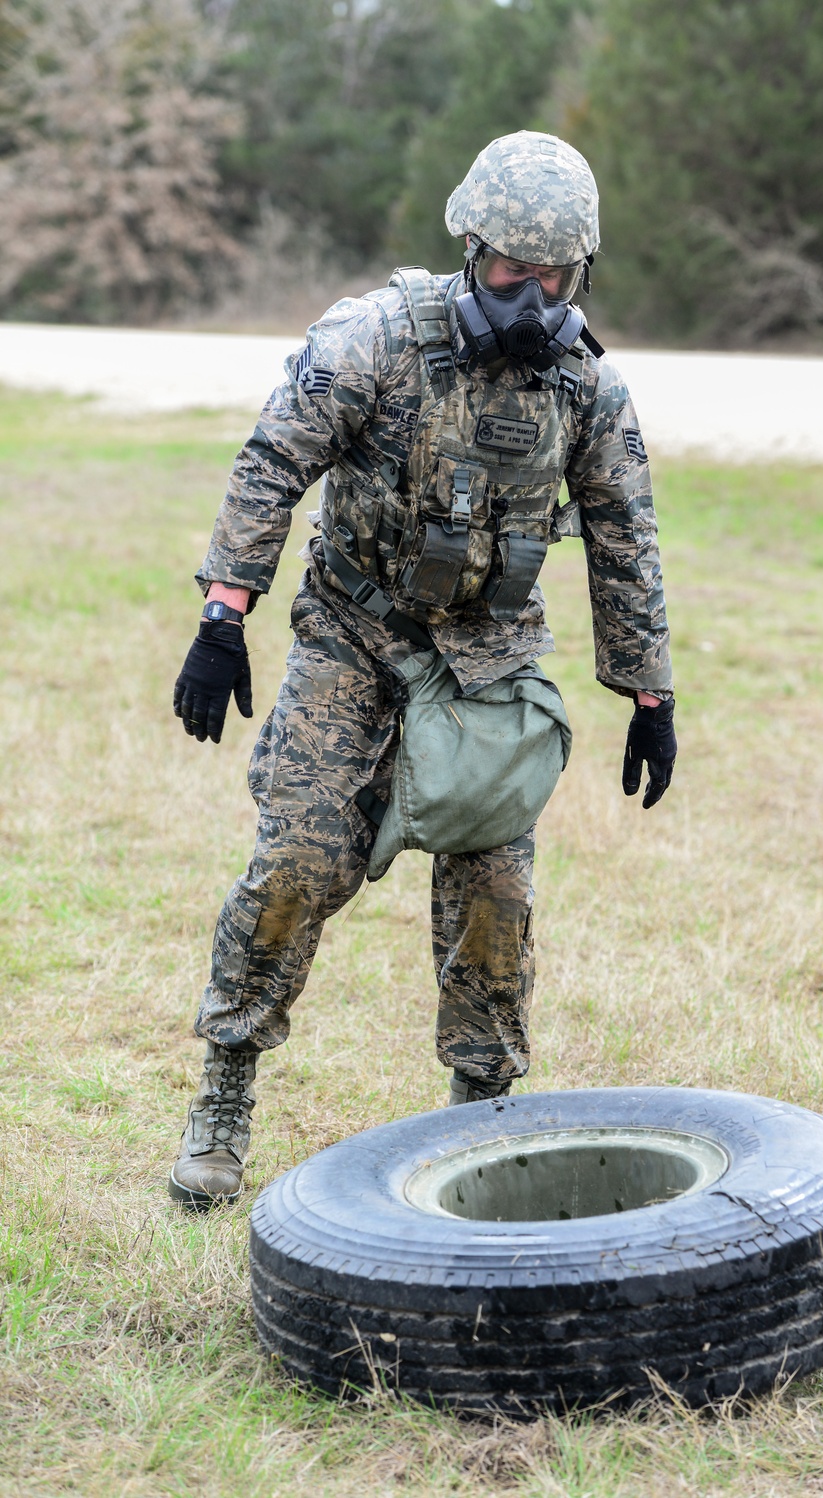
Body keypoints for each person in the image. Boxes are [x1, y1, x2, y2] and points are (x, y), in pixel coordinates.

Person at [168, 131, 677, 1208]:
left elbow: (624, 532)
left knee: (496, 897)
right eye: (508, 269)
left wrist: (647, 692)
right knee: (298, 866)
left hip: (490, 659)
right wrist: (225, 612)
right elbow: (274, 462)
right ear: (470, 247)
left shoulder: (584, 388)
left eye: (553, 275)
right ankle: (225, 1086)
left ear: (579, 271)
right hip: (353, 634)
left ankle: (483, 1112)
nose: (529, 293)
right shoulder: (373, 338)